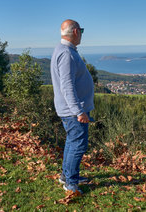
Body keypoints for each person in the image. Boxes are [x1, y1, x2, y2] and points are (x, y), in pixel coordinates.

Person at [50, 19, 94, 194]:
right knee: (78, 145)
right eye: (81, 30)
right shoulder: (67, 54)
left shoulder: (63, 50)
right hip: (73, 111)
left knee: (72, 142)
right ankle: (71, 184)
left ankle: (67, 175)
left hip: (71, 109)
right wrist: (79, 111)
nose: (82, 34)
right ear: (76, 32)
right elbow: (67, 86)